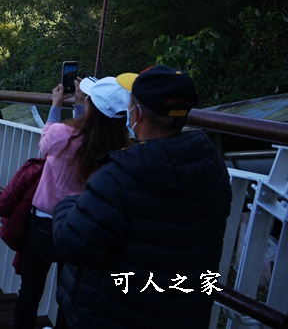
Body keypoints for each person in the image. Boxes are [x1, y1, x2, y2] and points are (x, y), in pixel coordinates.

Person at [52, 66, 232, 329]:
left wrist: (67, 204)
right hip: (181, 312)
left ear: (135, 113)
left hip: (114, 313)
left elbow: (74, 242)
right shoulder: (211, 167)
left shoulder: (118, 177)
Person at [12, 76, 132, 329]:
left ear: (91, 106)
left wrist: (56, 105)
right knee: (70, 295)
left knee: (30, 290)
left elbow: (45, 145)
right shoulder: (120, 147)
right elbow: (92, 133)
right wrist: (82, 105)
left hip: (43, 223)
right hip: (82, 228)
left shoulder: (62, 134)